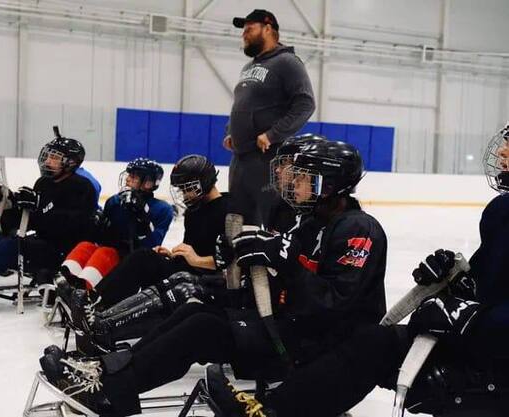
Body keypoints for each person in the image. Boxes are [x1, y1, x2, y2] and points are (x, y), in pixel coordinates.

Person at [39, 138, 388, 417]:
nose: (292, 185)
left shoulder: (359, 230)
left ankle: (108, 393)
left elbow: (333, 305)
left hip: (318, 347)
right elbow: (284, 282)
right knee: (196, 309)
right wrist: (244, 262)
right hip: (293, 327)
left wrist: (281, 263)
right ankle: (107, 372)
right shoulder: (311, 223)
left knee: (202, 328)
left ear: (329, 184)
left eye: (301, 178)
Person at [204, 124, 509, 417]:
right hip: (482, 338)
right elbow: (488, 282)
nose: (502, 151)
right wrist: (455, 280)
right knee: (375, 342)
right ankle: (271, 409)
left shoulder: (356, 227)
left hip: (496, 353)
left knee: (370, 345)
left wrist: (473, 318)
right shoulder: (499, 211)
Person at [73, 154, 229, 312]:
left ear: (203, 183)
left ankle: (96, 304)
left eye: (187, 189)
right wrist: (173, 255)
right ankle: (97, 302)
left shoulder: (229, 211)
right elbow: (193, 250)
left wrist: (197, 260)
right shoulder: (193, 211)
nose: (183, 194)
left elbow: (232, 261)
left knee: (141, 258)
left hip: (205, 280)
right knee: (144, 256)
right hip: (185, 270)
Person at [0, 136, 96, 296]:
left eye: (54, 157)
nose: (47, 161)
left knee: (10, 248)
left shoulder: (82, 187)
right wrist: (11, 204)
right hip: (41, 243)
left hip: (64, 251)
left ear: (70, 162)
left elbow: (73, 226)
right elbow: (29, 221)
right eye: (47, 156)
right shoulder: (43, 183)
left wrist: (38, 206)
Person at [225, 9, 315, 226]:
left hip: (268, 159)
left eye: (249, 29)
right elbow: (243, 104)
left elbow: (305, 104)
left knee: (266, 223)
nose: (244, 34)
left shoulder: (288, 62)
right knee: (237, 220)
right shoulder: (249, 67)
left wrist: (272, 134)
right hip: (240, 159)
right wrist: (230, 132)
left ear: (267, 29)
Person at [57, 158, 173, 291]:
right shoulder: (114, 201)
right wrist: (97, 224)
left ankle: (84, 289)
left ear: (148, 183)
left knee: (105, 252)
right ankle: (62, 281)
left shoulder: (162, 209)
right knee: (85, 246)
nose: (128, 179)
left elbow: (151, 246)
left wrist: (142, 218)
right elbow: (101, 237)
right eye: (129, 174)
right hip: (110, 251)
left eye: (134, 176)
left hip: (133, 260)